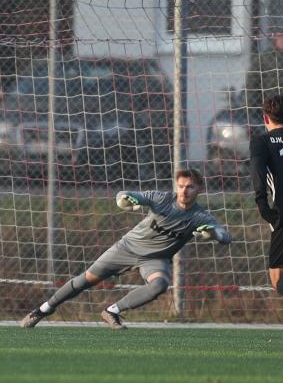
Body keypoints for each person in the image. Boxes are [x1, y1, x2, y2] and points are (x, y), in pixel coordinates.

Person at [20, 168, 231, 329]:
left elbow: (224, 235)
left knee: (160, 285)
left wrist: (212, 233)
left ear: (199, 189)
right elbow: (126, 195)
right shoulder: (162, 199)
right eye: (181, 186)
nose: (184, 191)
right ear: (176, 186)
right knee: (85, 280)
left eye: (190, 187)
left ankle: (112, 311)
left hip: (154, 260)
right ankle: (43, 309)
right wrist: (124, 200)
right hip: (127, 248)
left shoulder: (200, 217)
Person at [249, 93, 283, 296]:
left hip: (281, 213)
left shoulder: (262, 141)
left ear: (265, 118)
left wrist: (262, 204)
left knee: (277, 276)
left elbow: (257, 170)